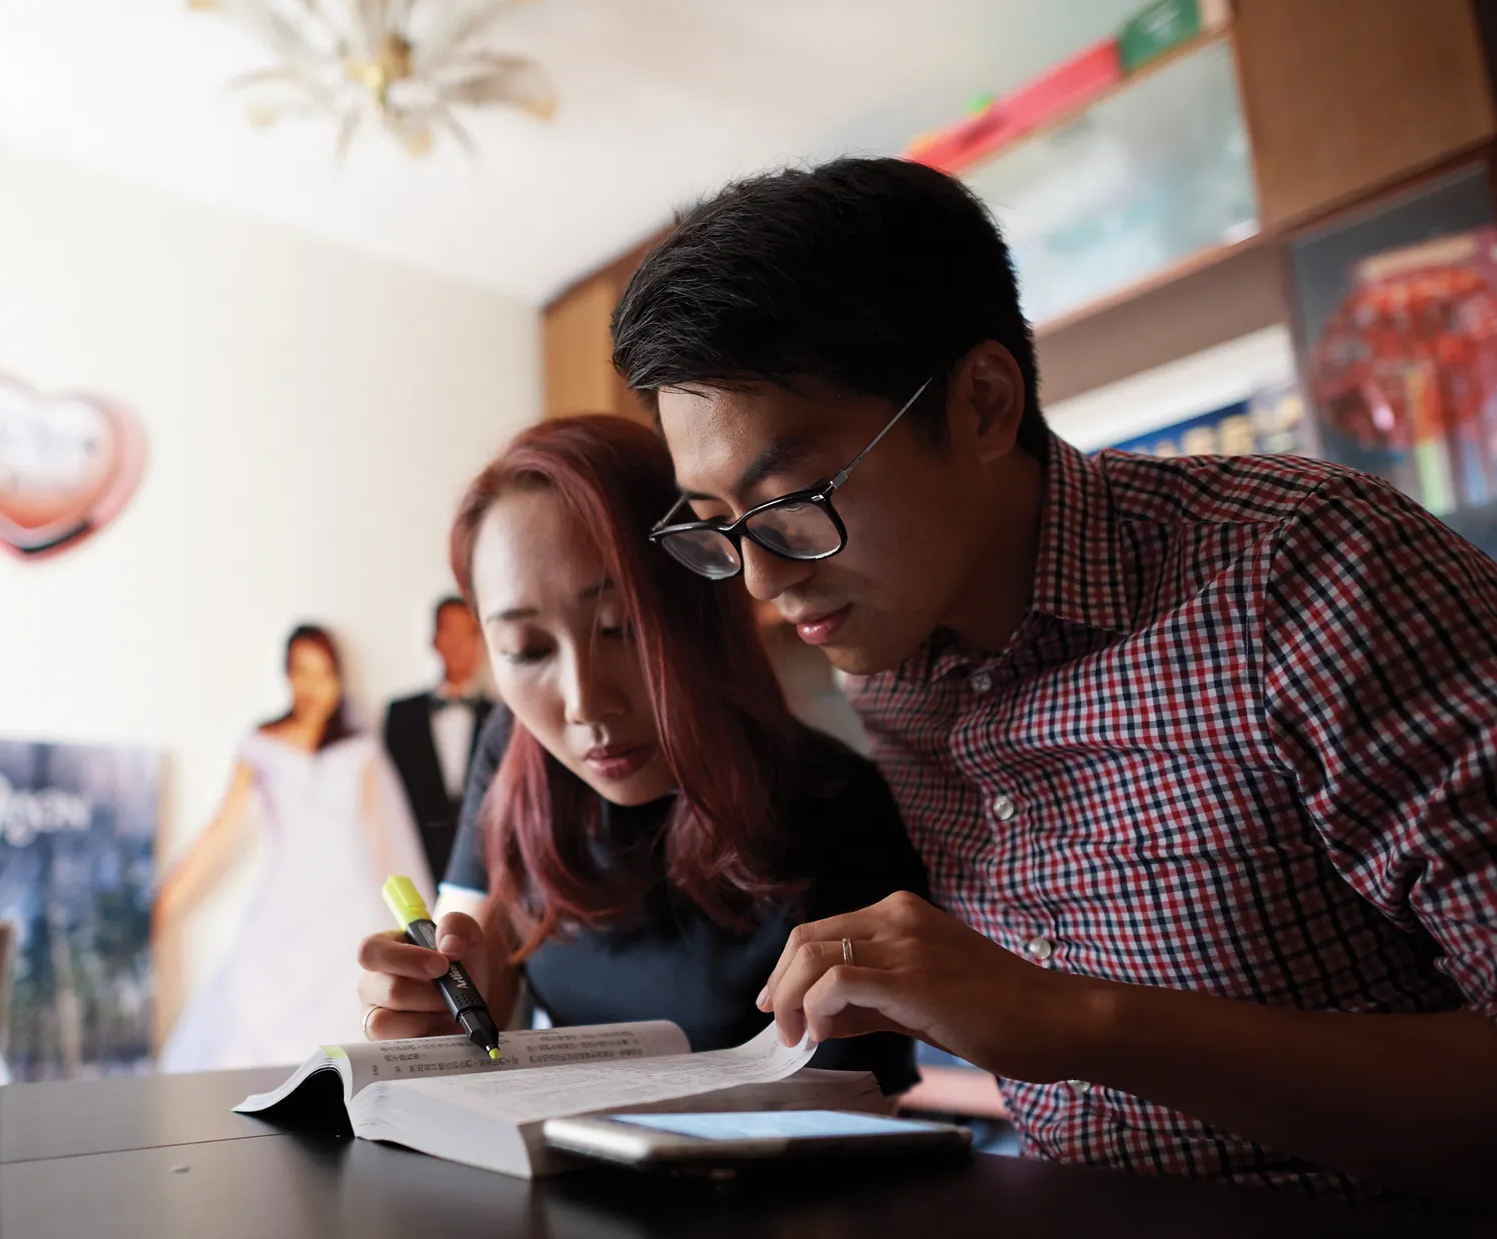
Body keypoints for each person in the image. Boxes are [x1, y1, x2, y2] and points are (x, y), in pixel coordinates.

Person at [610, 155, 1497, 1200]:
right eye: (717, 529)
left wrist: (1075, 1019)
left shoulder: (1307, 572)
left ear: (984, 404)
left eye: (794, 497)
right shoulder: (886, 665)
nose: (761, 578)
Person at [353, 416, 926, 1093]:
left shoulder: (836, 806)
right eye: (528, 650)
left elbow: (858, 1116)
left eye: (619, 628)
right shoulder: (513, 749)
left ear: (704, 604)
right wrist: (439, 1003)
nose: (585, 703)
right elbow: (483, 963)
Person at [154, 624, 431, 1071]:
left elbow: (385, 843)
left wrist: (419, 929)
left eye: (323, 673)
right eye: (302, 671)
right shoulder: (262, 743)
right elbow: (221, 829)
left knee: (352, 1019)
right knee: (252, 1010)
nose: (312, 686)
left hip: (351, 903)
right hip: (285, 902)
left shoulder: (360, 750)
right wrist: (163, 904)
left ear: (338, 679)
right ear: (287, 675)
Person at [383, 598, 494, 884]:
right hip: (414, 859)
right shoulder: (401, 715)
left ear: (480, 641)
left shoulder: (502, 716)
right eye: (449, 631)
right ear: (434, 640)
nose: (458, 643)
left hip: (486, 863)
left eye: (467, 632)